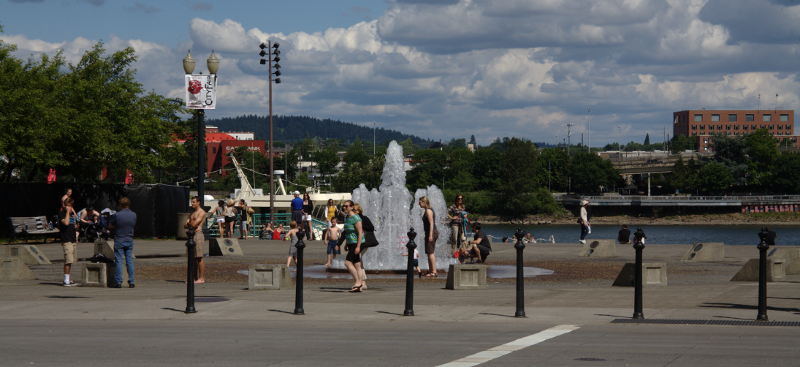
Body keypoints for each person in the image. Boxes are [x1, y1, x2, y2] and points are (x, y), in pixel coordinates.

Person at [109, 197, 136, 288]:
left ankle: (118, 281)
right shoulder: (134, 215)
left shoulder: (117, 215)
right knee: (129, 261)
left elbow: (111, 225)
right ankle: (131, 281)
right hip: (129, 239)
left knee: (119, 261)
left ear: (120, 205)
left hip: (119, 239)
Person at [342, 200, 364, 292]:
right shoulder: (347, 217)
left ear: (351, 207)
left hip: (356, 243)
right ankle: (359, 286)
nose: (344, 207)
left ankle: (357, 283)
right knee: (357, 264)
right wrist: (346, 243)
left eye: (346, 206)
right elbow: (348, 232)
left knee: (347, 263)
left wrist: (358, 246)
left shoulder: (356, 218)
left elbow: (360, 233)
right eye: (344, 206)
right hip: (351, 243)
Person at [184, 196, 206, 284]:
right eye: (191, 202)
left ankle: (201, 278)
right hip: (191, 235)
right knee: (192, 257)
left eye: (193, 202)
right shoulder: (192, 213)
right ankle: (194, 277)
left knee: (199, 257)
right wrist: (190, 223)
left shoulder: (201, 212)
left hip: (198, 235)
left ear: (198, 202)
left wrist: (190, 223)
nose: (192, 203)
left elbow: (194, 224)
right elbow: (185, 225)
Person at [58, 197, 79, 286]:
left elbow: (71, 225)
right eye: (66, 205)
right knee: (68, 260)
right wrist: (67, 212)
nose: (67, 207)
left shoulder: (72, 215)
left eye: (69, 206)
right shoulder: (62, 213)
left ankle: (68, 279)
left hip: (72, 239)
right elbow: (66, 223)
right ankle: (66, 280)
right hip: (66, 240)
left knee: (72, 260)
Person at [419, 196, 439, 277]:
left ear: (424, 202)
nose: (419, 204)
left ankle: (434, 272)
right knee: (428, 252)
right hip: (429, 232)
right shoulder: (427, 210)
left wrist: (430, 235)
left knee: (431, 252)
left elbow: (431, 223)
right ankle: (430, 270)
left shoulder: (428, 211)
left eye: (420, 202)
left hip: (432, 232)